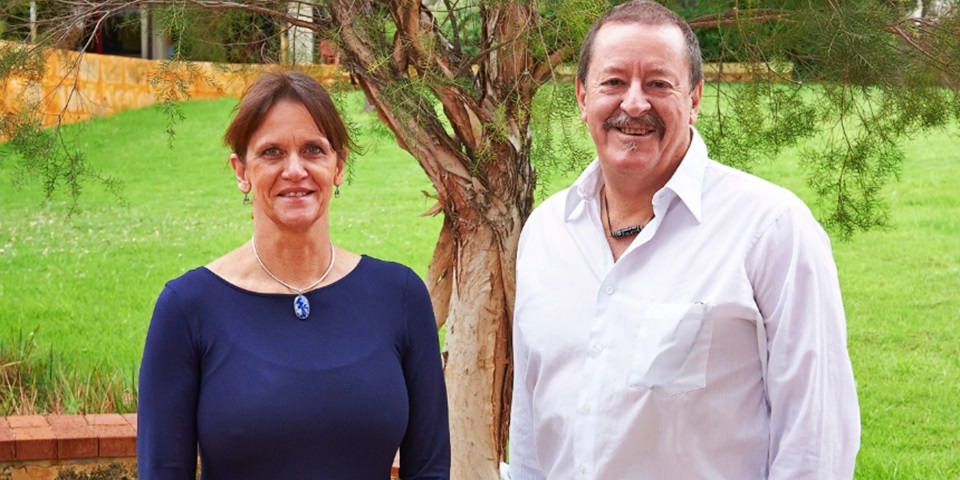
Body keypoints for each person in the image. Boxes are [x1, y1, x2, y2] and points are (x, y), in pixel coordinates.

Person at [508, 2, 860, 479]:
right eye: (613, 82)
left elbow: (816, 440)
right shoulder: (547, 233)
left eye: (658, 83)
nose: (634, 103)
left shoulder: (771, 230)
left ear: (693, 99)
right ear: (581, 96)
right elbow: (532, 429)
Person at [137, 71, 450, 479]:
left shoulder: (400, 297)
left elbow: (429, 470)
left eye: (313, 150)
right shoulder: (188, 309)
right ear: (241, 171)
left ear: (338, 166)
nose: (295, 170)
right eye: (271, 152)